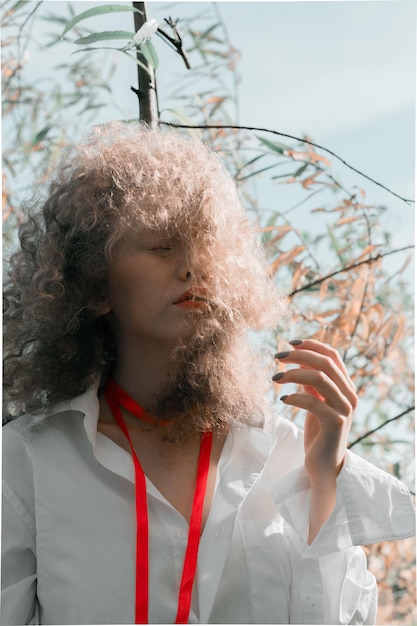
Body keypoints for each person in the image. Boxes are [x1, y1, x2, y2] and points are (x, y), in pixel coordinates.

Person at [1, 121, 414, 625]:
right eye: (162, 245)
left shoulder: (289, 458)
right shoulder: (28, 461)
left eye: (205, 245)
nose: (193, 267)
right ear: (95, 286)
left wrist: (324, 482)